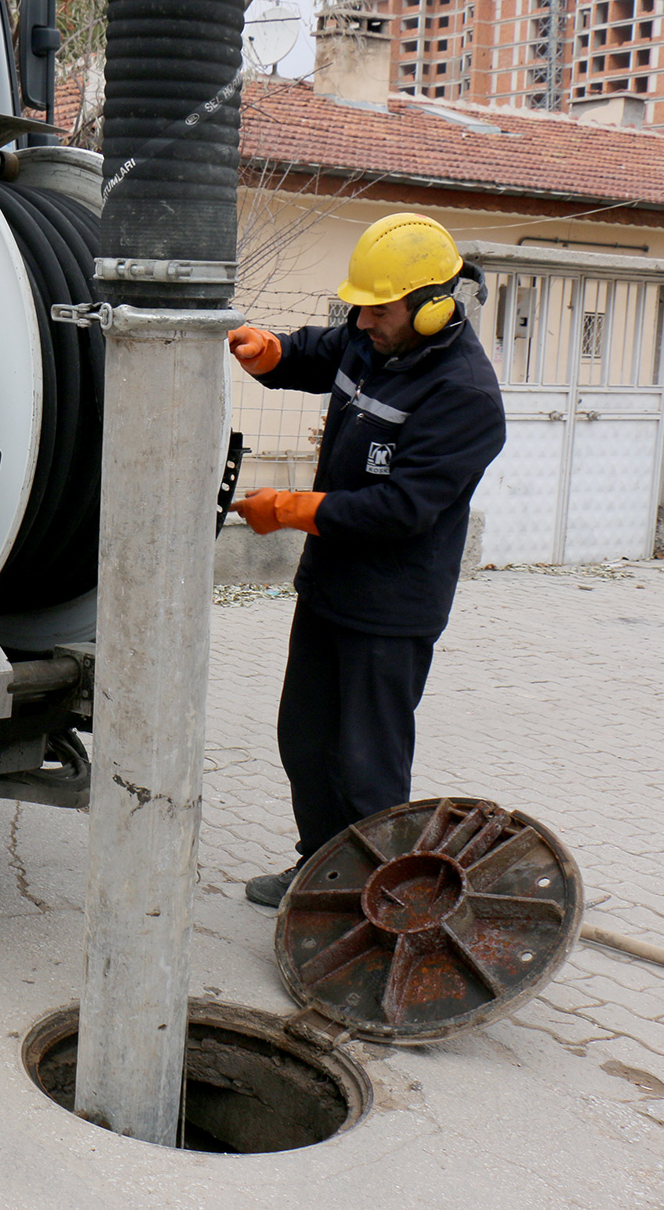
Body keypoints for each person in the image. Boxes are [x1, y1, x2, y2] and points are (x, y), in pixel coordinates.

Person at [225, 212, 507, 909]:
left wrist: (293, 508)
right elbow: (321, 352)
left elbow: (401, 511)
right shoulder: (371, 336)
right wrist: (271, 353)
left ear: (433, 307)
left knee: (366, 765)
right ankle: (318, 869)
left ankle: (377, 899)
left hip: (392, 609)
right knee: (306, 739)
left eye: (378, 307)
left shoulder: (465, 396)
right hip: (329, 587)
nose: (362, 319)